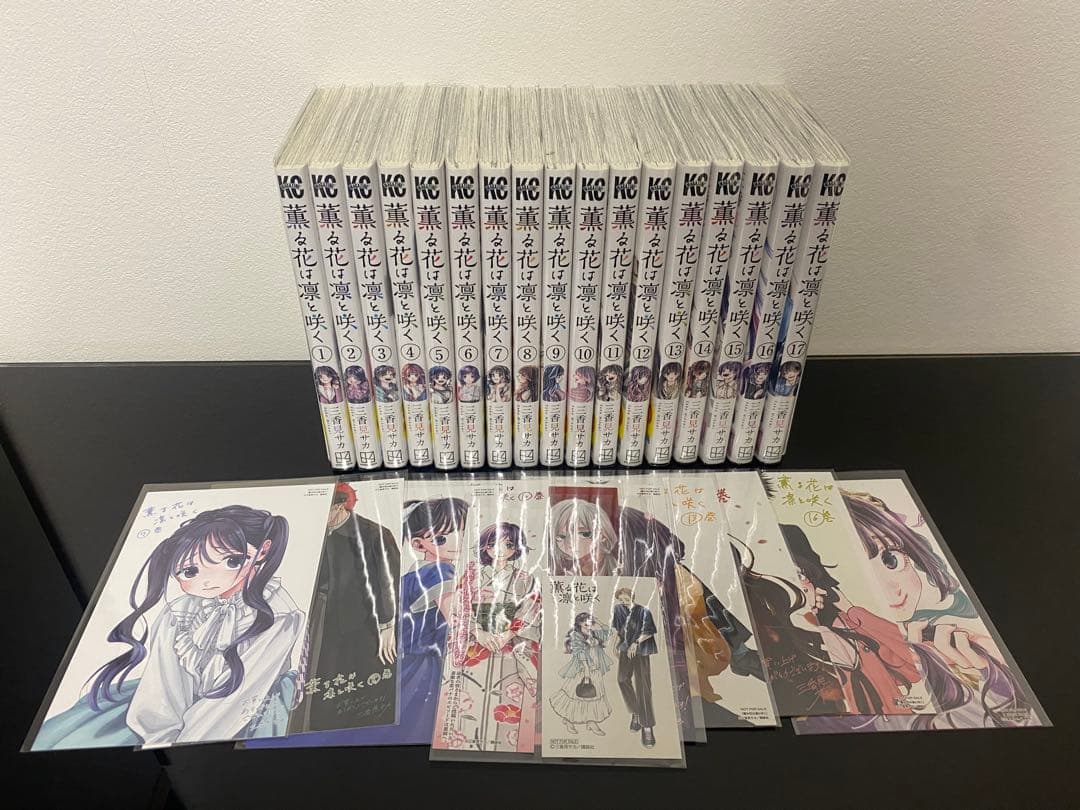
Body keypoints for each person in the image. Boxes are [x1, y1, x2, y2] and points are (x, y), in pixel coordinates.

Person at [35, 506, 302, 749]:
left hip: (249, 708)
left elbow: (239, 697)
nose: (208, 581)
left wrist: (188, 747)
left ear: (263, 551)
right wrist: (163, 738)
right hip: (169, 709)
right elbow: (164, 687)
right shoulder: (179, 612)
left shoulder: (280, 614)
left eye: (231, 561)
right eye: (190, 571)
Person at [839, 489, 1035, 729]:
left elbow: (1023, 722)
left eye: (891, 560)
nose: (893, 591)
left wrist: (991, 676)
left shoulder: (953, 634)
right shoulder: (854, 651)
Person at [293, 483, 399, 733]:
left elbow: (389, 582)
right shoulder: (313, 530)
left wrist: (387, 624)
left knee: (356, 672)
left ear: (340, 506)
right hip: (316, 613)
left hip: (362, 617)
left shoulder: (374, 534)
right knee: (313, 670)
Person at [782, 523, 919, 716]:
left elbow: (912, 664)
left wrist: (850, 610)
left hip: (896, 718)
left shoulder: (851, 624)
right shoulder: (789, 640)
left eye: (801, 575)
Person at [548, 612, 613, 735]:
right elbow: (579, 653)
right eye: (585, 623)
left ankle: (591, 721)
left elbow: (608, 632)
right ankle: (569, 720)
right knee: (576, 695)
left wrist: (599, 622)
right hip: (582, 670)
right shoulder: (576, 635)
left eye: (590, 622)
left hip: (596, 669)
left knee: (594, 695)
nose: (588, 625)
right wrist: (587, 671)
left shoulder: (593, 633)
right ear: (579, 623)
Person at [612, 587, 658, 748]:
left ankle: (647, 727)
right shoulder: (618, 610)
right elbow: (618, 630)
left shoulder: (644, 611)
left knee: (643, 686)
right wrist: (614, 645)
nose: (624, 602)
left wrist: (636, 643)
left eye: (626, 599)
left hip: (641, 649)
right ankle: (636, 713)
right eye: (621, 600)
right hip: (625, 648)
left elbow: (649, 632)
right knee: (622, 679)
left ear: (632, 597)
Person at [546, 497, 620, 576]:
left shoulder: (618, 567)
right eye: (561, 536)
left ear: (602, 535)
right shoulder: (569, 572)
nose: (571, 543)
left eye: (584, 534)